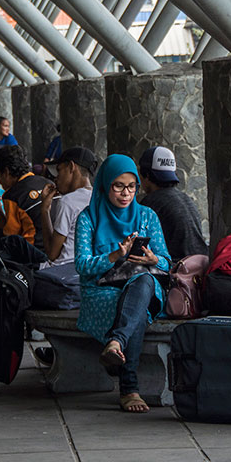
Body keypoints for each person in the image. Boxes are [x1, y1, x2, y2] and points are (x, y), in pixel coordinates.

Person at [75, 153, 171, 413]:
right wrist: (114, 256)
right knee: (135, 310)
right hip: (101, 289)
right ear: (105, 185)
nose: (126, 193)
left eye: (131, 186)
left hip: (142, 284)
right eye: (118, 186)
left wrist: (153, 258)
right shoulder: (89, 218)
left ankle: (117, 344)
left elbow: (166, 262)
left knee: (141, 283)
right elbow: (82, 266)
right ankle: (128, 387)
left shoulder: (147, 216)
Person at [0, 144, 51, 265]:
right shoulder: (45, 182)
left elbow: (11, 235)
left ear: (6, 172)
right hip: (54, 248)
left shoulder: (13, 195)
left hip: (34, 253)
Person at [138, 146, 208, 259]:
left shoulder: (151, 203)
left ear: (147, 175)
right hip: (201, 262)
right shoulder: (186, 198)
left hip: (177, 267)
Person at [38, 147, 96, 269]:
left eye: (59, 171)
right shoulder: (98, 199)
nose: (56, 178)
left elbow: (52, 254)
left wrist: (44, 210)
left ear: (71, 167)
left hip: (61, 271)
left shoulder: (68, 201)